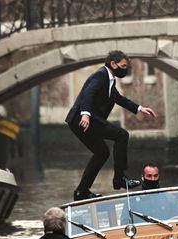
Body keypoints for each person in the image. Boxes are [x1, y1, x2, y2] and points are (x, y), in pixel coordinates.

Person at [66, 50, 157, 201]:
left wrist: (140, 108)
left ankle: (81, 191)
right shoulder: (100, 76)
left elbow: (118, 98)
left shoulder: (109, 80)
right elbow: (89, 93)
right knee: (122, 135)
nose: (124, 69)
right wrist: (86, 114)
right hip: (83, 120)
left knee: (102, 153)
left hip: (81, 122)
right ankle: (119, 179)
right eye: (123, 66)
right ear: (113, 64)